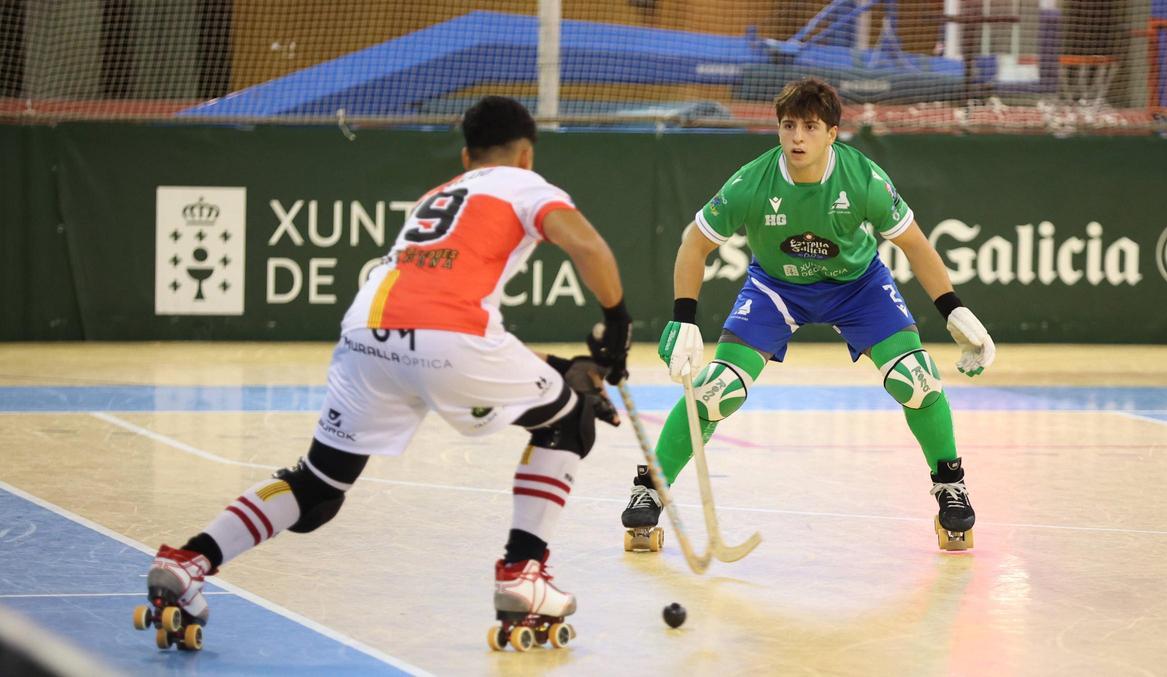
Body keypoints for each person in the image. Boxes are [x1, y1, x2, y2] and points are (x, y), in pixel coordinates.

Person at [137, 96, 632, 651]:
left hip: (366, 335)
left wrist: (566, 368)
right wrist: (616, 325)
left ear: (467, 155)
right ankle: (523, 573)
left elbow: (456, 326)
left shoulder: (437, 197)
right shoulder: (525, 184)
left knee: (318, 485)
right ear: (526, 154)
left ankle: (188, 562)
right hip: (450, 340)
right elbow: (586, 244)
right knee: (570, 422)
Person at [620, 78, 995, 552]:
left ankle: (949, 485)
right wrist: (685, 318)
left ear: (832, 134)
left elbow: (915, 245)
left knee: (918, 379)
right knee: (716, 391)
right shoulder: (751, 182)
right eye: (789, 126)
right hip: (777, 288)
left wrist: (954, 309)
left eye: (811, 127)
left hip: (858, 286)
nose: (798, 137)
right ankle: (649, 488)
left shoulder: (863, 179)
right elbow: (694, 244)